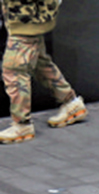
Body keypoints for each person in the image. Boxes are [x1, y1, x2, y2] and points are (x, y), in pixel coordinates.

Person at [0, 0, 86, 144]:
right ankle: (71, 103)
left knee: (14, 70)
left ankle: (22, 125)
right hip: (27, 16)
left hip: (27, 18)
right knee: (39, 63)